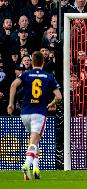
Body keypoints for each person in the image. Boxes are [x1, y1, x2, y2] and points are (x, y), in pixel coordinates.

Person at [7, 51, 62, 180]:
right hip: (39, 113)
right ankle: (26, 164)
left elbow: (13, 85)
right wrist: (52, 103)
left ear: (32, 63)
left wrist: (11, 103)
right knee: (34, 140)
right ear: (43, 62)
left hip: (25, 112)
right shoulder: (48, 76)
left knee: (35, 140)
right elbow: (59, 97)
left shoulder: (26, 74)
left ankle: (36, 169)